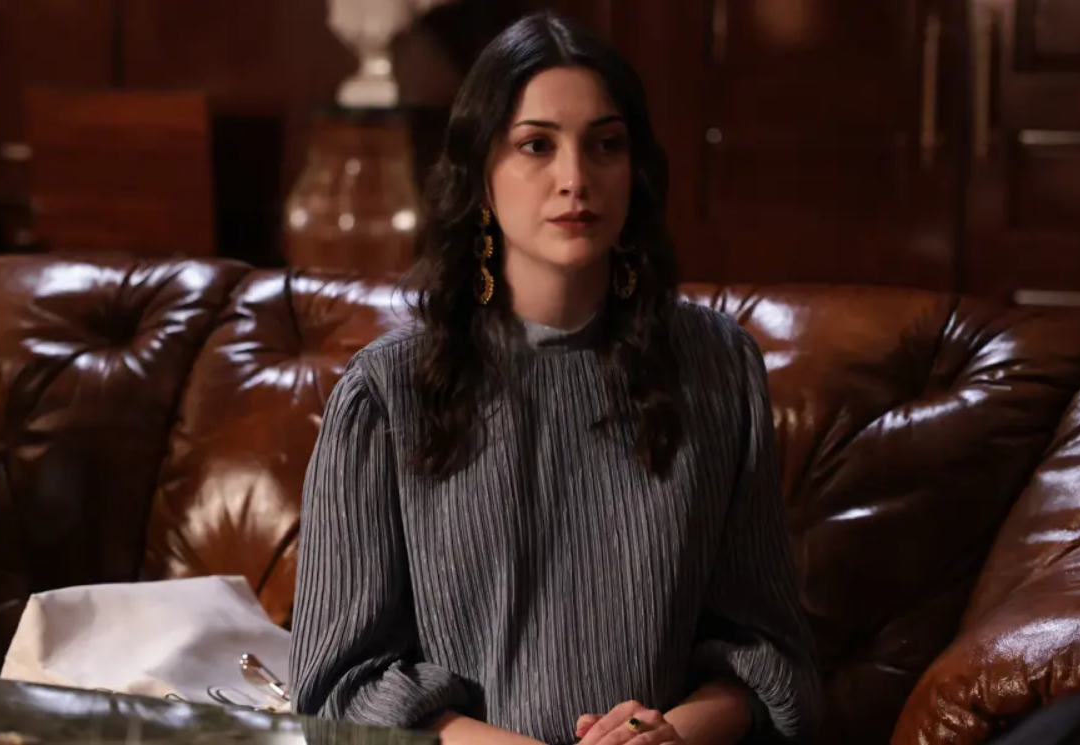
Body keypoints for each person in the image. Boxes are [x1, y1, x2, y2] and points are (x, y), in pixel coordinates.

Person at [288, 11, 822, 745]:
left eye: (605, 145)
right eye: (536, 145)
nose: (575, 179)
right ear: (481, 174)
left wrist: (665, 733)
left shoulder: (718, 366)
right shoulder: (386, 392)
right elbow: (337, 691)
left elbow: (772, 657)